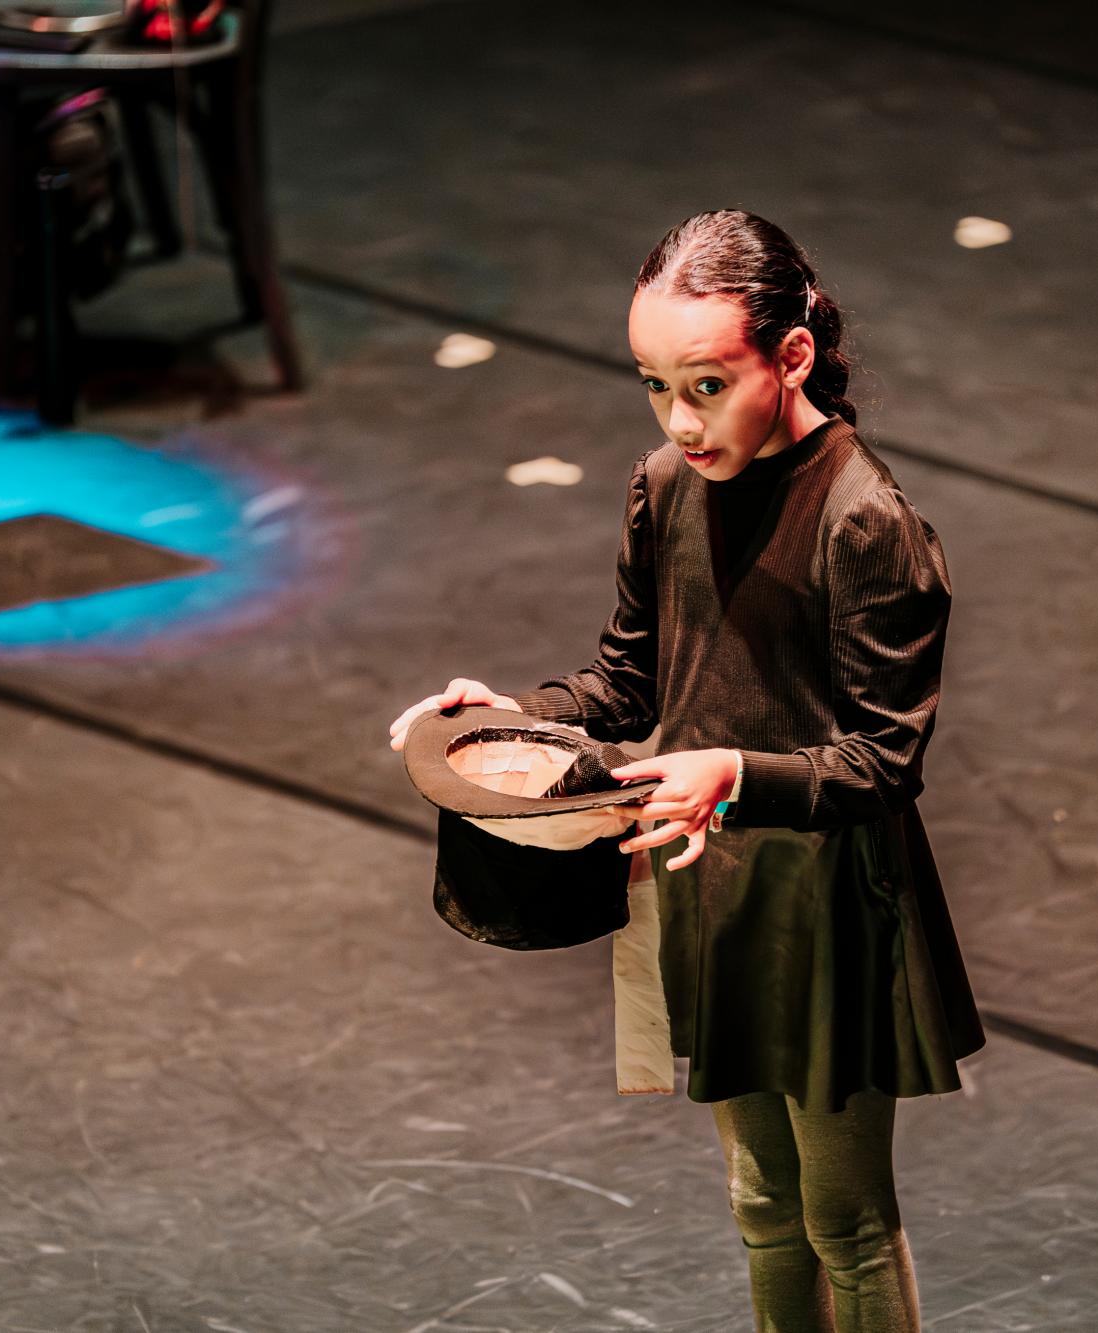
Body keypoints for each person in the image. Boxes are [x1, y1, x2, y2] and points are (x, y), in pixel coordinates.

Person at [389, 208, 985, 1331]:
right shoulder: (664, 487)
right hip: (705, 884)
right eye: (654, 384)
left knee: (844, 1220)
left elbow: (882, 758)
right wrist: (502, 716)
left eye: (705, 384)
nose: (679, 418)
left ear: (791, 356)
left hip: (824, 907)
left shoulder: (864, 523)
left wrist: (731, 774)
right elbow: (624, 684)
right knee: (760, 1199)